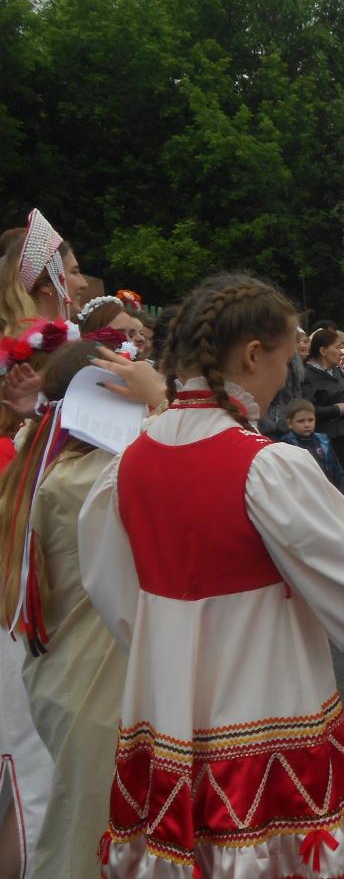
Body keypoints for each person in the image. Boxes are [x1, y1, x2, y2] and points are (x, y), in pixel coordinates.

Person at [78, 274, 344, 877]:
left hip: (165, 706)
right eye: (288, 351)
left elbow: (117, 595)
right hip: (263, 700)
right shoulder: (267, 465)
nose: (289, 370)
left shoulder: (131, 459)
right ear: (252, 354)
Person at [0, 340, 165, 878]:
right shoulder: (99, 477)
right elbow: (182, 463)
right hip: (96, 689)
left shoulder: (48, 462)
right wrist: (162, 401)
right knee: (89, 834)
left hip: (67, 678)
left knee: (80, 820)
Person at [302, 327, 344, 485]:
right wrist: (338, 409)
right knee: (326, 486)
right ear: (323, 351)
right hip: (323, 441)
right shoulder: (307, 375)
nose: (342, 352)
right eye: (338, 347)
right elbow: (307, 410)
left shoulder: (337, 372)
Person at [281, 397, 344, 494]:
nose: (307, 424)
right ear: (290, 424)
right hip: (304, 495)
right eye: (301, 421)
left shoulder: (323, 442)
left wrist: (343, 493)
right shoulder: (287, 445)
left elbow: (337, 470)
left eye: (310, 420)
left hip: (327, 492)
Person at [258, 325, 307, 440]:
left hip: (286, 424)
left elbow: (296, 393)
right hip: (264, 426)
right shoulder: (265, 359)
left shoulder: (295, 364)